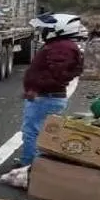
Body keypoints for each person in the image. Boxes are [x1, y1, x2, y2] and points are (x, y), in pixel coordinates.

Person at [18, 13, 85, 166]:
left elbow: (57, 74)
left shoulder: (61, 48)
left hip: (46, 97)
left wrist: (35, 88)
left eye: (47, 28)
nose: (43, 31)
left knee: (32, 132)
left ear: (60, 29)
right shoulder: (62, 46)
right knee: (40, 131)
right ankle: (34, 165)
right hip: (47, 96)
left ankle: (30, 167)